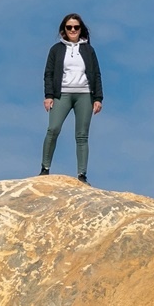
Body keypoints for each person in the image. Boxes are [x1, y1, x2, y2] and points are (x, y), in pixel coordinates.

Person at [40, 13, 103, 184]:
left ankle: (82, 175)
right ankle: (44, 169)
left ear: (81, 29)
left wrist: (98, 98)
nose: (73, 30)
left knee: (82, 136)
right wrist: (48, 96)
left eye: (76, 27)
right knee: (53, 129)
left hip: (85, 95)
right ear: (64, 30)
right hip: (62, 94)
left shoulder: (89, 50)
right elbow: (48, 73)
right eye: (69, 27)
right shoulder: (56, 49)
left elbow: (96, 74)